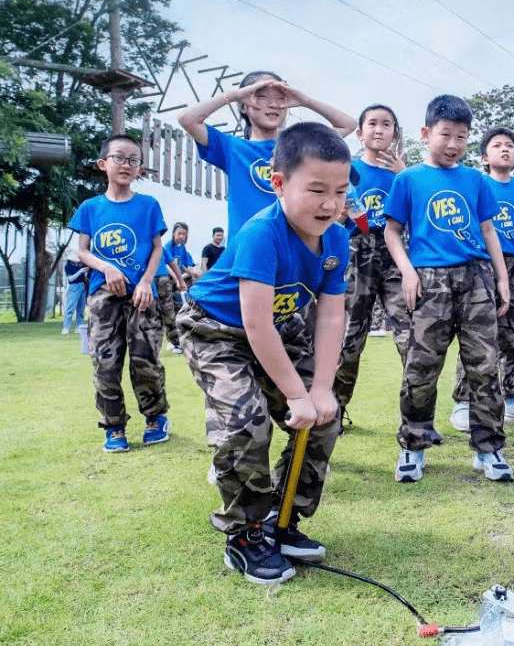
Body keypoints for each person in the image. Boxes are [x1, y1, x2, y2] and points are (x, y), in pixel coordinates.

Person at [176, 122, 351, 585]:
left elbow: (332, 316)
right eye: (316, 189)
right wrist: (296, 394)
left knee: (324, 416)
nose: (330, 203)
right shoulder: (262, 232)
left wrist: (319, 389)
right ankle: (245, 533)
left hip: (279, 327)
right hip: (216, 329)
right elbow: (253, 325)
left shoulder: (336, 238)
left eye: (339, 190)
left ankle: (282, 519)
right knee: (245, 422)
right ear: (279, 183)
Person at [383, 95, 513, 483]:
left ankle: (489, 449)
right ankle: (413, 445)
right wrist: (407, 271)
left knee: (485, 368)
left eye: (462, 136)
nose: (454, 143)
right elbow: (392, 231)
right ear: (426, 134)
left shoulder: (475, 179)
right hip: (428, 281)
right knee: (420, 369)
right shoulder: (407, 180)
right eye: (445, 134)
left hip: (476, 278)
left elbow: (488, 230)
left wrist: (501, 278)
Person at [68, 134, 171, 453]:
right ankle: (113, 426)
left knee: (145, 359)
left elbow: (157, 248)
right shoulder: (90, 207)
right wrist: (108, 268)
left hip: (142, 295)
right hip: (102, 295)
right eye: (119, 158)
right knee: (104, 361)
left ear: (140, 168)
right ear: (103, 164)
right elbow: (82, 251)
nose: (126, 164)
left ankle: (156, 418)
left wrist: (145, 282)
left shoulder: (148, 206)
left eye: (133, 160)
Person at [449, 127, 514, 432]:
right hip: (482, 265)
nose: (505, 149)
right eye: (497, 146)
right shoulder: (477, 183)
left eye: (510, 145)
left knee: (510, 336)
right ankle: (463, 403)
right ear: (484, 157)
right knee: (475, 334)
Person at [178, 71, 356, 238]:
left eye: (280, 99)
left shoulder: (300, 145)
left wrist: (305, 101)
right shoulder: (232, 147)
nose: (273, 105)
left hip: (293, 248)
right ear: (243, 106)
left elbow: (347, 124)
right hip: (246, 251)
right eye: (262, 97)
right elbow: (187, 119)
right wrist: (233, 96)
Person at [333, 104, 410, 411]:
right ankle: (334, 411)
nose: (379, 130)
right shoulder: (346, 168)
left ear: (395, 134)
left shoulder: (405, 176)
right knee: (349, 339)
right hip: (354, 252)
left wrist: (405, 176)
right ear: (359, 132)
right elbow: (334, 217)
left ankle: (415, 414)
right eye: (373, 124)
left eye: (387, 124)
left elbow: (418, 219)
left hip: (393, 252)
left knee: (410, 335)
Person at [160, 222, 198, 353]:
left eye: (184, 234)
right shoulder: (167, 247)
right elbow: (167, 264)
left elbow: (180, 264)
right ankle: (173, 341)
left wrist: (189, 272)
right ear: (173, 233)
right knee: (169, 311)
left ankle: (180, 340)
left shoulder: (182, 247)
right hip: (167, 280)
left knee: (181, 308)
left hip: (179, 279)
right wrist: (177, 278)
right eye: (179, 233)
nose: (181, 236)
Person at [61, 250, 89, 335]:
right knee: (70, 308)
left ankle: (79, 327)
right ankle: (66, 327)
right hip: (73, 286)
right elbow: (70, 279)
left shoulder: (82, 265)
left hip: (82, 286)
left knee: (81, 309)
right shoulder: (68, 266)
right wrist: (80, 272)